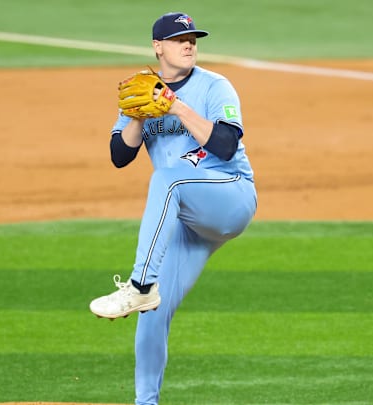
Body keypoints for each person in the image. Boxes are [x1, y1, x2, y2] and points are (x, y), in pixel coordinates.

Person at [89, 11, 257, 405]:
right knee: (152, 317)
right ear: (157, 46)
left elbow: (226, 146)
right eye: (180, 39)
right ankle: (145, 401)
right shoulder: (142, 91)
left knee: (167, 178)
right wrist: (135, 115)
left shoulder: (216, 86)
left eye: (193, 40)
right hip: (188, 219)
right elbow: (118, 156)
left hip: (230, 196)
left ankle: (140, 285)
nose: (188, 45)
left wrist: (177, 107)